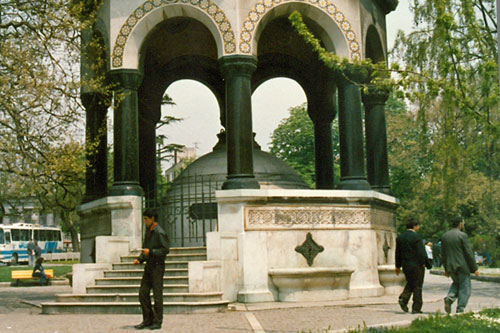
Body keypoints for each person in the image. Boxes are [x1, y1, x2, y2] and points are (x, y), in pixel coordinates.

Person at [133, 209, 170, 330]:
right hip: (149, 266)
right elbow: (146, 249)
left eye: (146, 219)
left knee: (157, 295)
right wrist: (140, 259)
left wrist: (151, 252)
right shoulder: (149, 232)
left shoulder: (159, 232)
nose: (144, 221)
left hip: (157, 267)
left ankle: (157, 321)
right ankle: (147, 319)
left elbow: (165, 250)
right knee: (143, 293)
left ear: (152, 218)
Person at [441, 216, 479, 314]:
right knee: (465, 287)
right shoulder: (462, 235)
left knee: (457, 283)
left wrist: (446, 268)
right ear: (460, 224)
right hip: (462, 266)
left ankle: (449, 298)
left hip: (450, 266)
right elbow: (468, 253)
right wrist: (475, 268)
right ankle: (460, 309)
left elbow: (443, 254)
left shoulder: (445, 236)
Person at [395, 217, 432, 314]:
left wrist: (397, 266)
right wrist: (427, 264)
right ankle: (416, 307)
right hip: (417, 265)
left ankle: (404, 298)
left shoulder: (400, 238)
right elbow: (421, 252)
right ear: (415, 226)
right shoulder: (417, 237)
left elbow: (397, 253)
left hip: (406, 265)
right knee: (417, 286)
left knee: (411, 282)